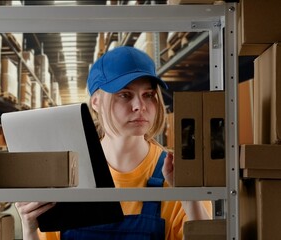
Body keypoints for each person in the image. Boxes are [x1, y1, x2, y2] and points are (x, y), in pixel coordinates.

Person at [15, 46, 212, 240]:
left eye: (148, 95)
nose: (139, 106)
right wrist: (30, 229)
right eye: (124, 94)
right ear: (96, 102)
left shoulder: (175, 175)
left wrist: (189, 196)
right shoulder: (68, 175)